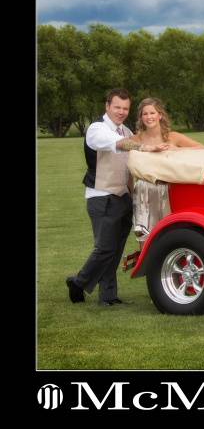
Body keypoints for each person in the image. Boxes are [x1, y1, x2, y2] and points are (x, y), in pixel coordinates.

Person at [65, 89, 168, 306]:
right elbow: (118, 144)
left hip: (123, 197)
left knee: (116, 249)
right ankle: (78, 282)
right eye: (117, 107)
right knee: (105, 248)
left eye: (125, 108)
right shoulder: (97, 129)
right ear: (107, 106)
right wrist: (146, 146)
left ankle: (108, 296)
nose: (121, 112)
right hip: (101, 195)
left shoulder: (127, 130)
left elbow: (129, 167)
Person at [130, 97, 204, 246]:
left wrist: (178, 150)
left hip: (168, 190)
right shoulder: (136, 139)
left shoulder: (172, 136)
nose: (149, 117)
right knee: (143, 234)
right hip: (143, 190)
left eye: (152, 113)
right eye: (145, 114)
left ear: (160, 115)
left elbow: (201, 148)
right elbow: (120, 145)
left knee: (169, 232)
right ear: (140, 117)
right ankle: (145, 268)